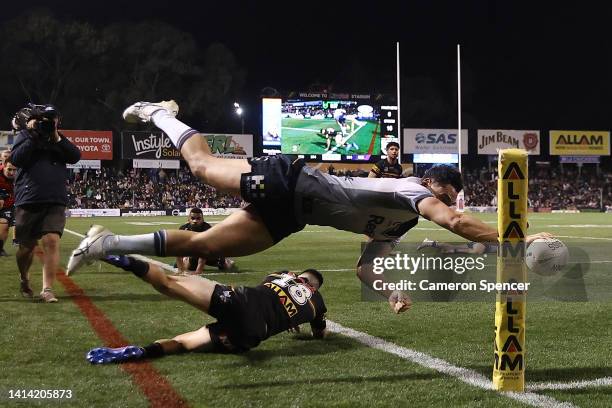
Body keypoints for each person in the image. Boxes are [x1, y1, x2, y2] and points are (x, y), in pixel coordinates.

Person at [67, 100, 550, 313]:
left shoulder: (397, 227)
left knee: (203, 244)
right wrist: (518, 241)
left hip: (293, 216)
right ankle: (159, 114)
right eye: (444, 196)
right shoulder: (409, 190)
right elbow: (458, 221)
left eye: (447, 200)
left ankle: (106, 244)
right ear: (431, 184)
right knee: (200, 167)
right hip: (291, 179)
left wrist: (392, 293)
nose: (445, 206)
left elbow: (365, 269)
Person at [86, 254, 326, 363]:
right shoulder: (318, 302)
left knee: (170, 283)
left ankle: (123, 259)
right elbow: (319, 332)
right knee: (183, 343)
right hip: (251, 334)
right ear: (315, 287)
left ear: (297, 275)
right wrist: (299, 321)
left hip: (240, 300)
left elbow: (270, 293)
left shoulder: (280, 274)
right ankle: (141, 352)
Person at [10, 103, 81, 302]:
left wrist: (56, 137)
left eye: (54, 119)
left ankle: (47, 289)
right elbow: (16, 159)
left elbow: (76, 156)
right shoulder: (25, 136)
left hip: (55, 198)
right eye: (48, 119)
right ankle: (24, 277)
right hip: (29, 198)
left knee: (51, 241)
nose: (51, 122)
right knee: (26, 248)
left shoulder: (60, 140)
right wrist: (33, 135)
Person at [175, 207, 236, 274]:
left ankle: (228, 261)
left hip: (210, 253)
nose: (195, 221)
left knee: (225, 267)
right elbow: (178, 250)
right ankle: (188, 260)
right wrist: (180, 269)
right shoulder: (183, 229)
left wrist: (199, 270)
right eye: (192, 218)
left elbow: (205, 250)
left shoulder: (207, 229)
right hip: (194, 254)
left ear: (202, 219)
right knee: (188, 267)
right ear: (188, 219)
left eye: (198, 218)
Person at [0, 160, 16, 258]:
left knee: (5, 226)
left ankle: (0, 249)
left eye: (14, 170)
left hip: (8, 204)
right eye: (9, 169)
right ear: (4, 166)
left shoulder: (19, 176)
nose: (12, 172)